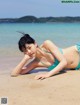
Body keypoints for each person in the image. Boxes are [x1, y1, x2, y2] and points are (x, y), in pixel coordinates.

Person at [11, 33, 80, 80]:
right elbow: (14, 74)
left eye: (29, 48)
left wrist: (47, 74)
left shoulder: (47, 44)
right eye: (25, 51)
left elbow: (63, 62)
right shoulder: (36, 63)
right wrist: (25, 59)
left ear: (35, 43)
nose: (28, 52)